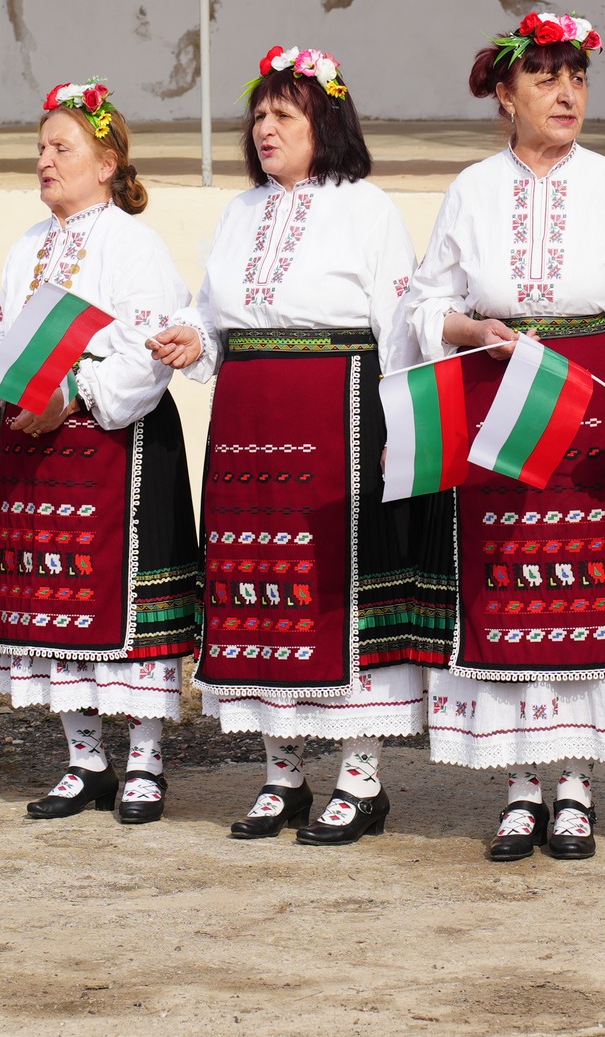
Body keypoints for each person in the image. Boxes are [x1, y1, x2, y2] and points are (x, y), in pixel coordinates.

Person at [149, 48, 451, 844]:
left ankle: (361, 777)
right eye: (259, 115)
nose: (266, 128)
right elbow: (214, 312)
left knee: (338, 591)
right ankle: (282, 774)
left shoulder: (368, 208)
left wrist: (400, 429)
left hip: (339, 417)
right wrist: (194, 339)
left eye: (284, 114)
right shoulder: (240, 211)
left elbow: (398, 328)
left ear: (326, 123)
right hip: (247, 422)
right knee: (257, 590)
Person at [405, 12, 605, 861]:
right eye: (546, 77)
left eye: (578, 77)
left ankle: (576, 785)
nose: (566, 93)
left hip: (595, 405)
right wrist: (470, 330)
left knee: (585, 592)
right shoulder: (472, 188)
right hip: (499, 402)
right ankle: (521, 785)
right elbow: (423, 303)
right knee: (509, 589)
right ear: (505, 93)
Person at [0, 81, 200, 824]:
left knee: (126, 605)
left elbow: (150, 350)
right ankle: (85, 761)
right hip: (36, 453)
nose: (44, 160)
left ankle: (145, 762)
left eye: (60, 147)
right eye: (40, 148)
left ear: (106, 164)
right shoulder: (26, 248)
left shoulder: (133, 243)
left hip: (116, 444)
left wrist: (72, 395)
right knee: (53, 600)